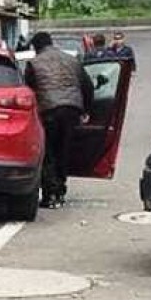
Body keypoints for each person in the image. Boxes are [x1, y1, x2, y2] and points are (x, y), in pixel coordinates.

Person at [25, 32, 94, 209]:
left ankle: (50, 194)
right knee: (63, 151)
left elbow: (29, 91)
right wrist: (86, 110)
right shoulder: (71, 60)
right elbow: (88, 86)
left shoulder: (34, 64)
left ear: (35, 47)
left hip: (48, 111)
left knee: (48, 153)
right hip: (71, 110)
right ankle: (61, 191)